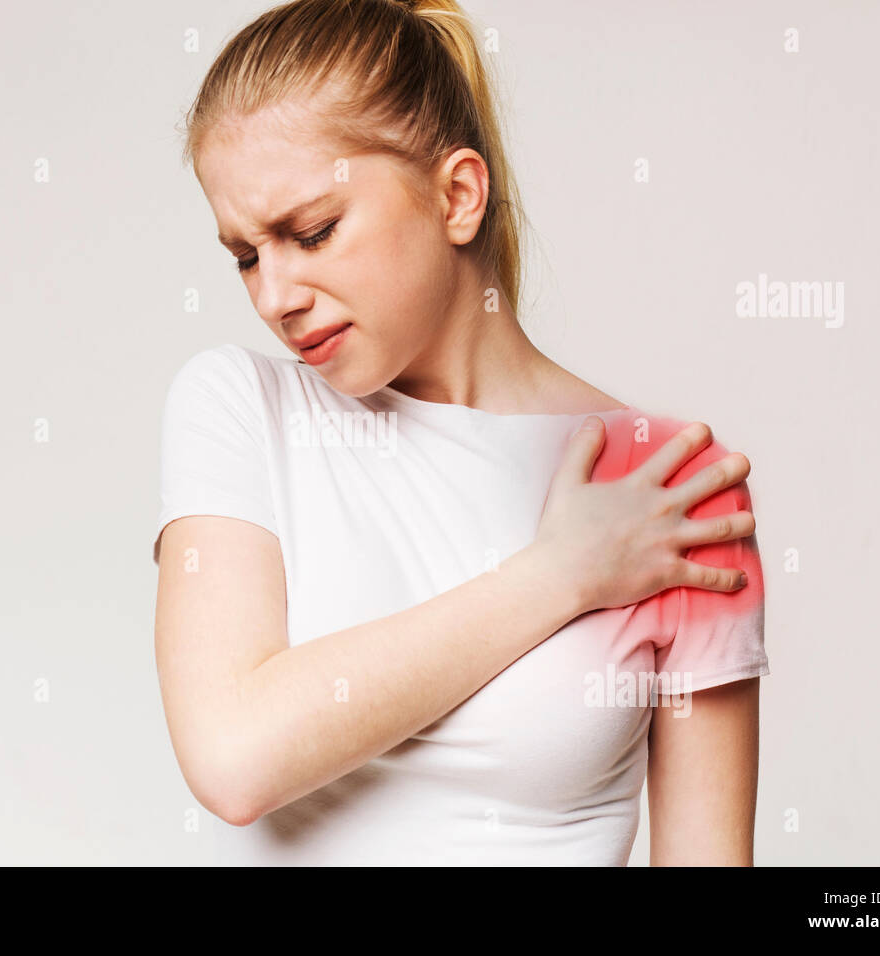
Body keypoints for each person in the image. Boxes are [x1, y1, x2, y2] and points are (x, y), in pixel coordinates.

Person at [152, 0, 769, 865]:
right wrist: (560, 574)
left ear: (457, 195)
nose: (274, 296)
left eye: (313, 232)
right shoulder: (240, 408)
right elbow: (234, 758)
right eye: (247, 254)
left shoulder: (664, 482)